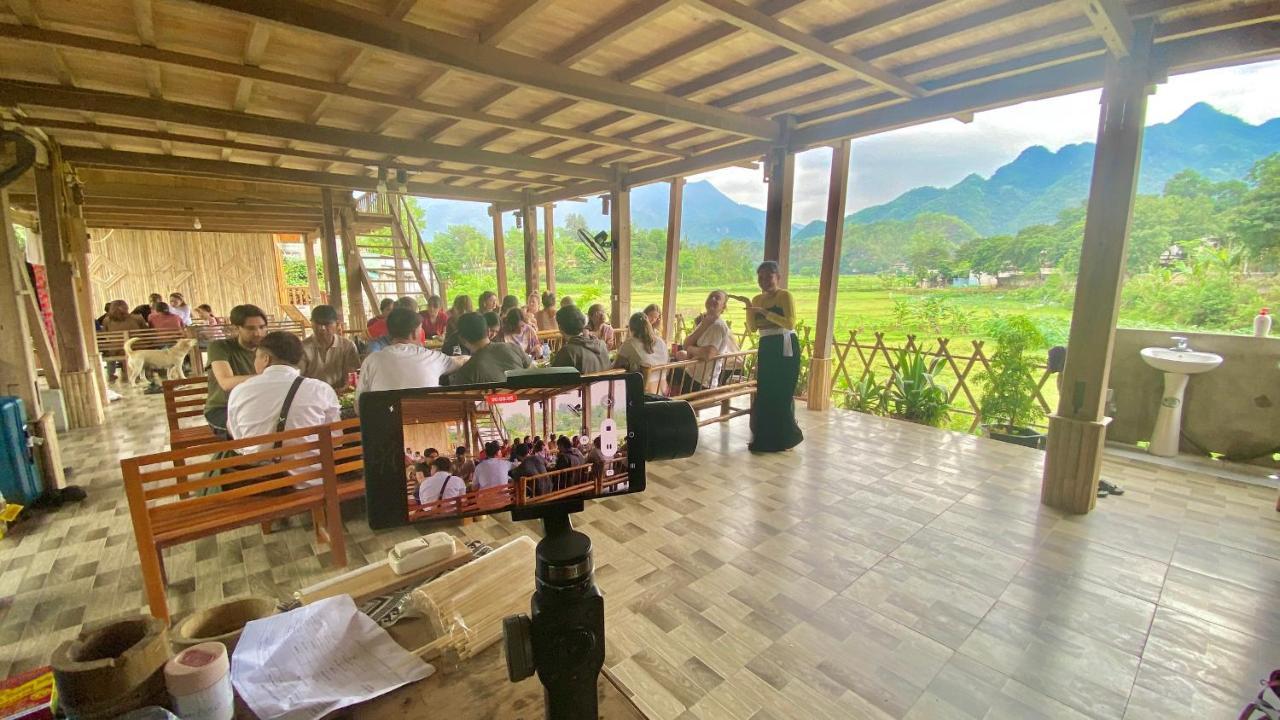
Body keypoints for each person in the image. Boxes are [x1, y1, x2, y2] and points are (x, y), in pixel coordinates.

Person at [226, 331, 340, 457]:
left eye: (256, 357)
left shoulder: (240, 391)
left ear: (266, 359)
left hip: (258, 473)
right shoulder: (321, 389)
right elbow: (335, 439)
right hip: (311, 474)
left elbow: (238, 441)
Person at [741, 260, 803, 453]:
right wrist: (749, 306)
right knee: (766, 392)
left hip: (784, 346)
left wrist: (765, 313)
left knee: (781, 393)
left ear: (778, 277)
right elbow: (752, 327)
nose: (764, 280)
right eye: (761, 277)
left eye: (769, 276)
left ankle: (787, 438)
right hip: (766, 345)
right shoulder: (757, 299)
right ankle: (765, 439)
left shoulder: (785, 295)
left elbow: (790, 323)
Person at [355, 308, 463, 408]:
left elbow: (359, 407)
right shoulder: (432, 357)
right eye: (420, 329)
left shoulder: (371, 361)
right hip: (426, 424)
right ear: (413, 333)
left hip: (386, 426)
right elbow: (460, 361)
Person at [204, 304, 268, 434]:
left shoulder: (269, 348)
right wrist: (270, 377)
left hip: (256, 406)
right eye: (250, 328)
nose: (258, 333)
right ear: (236, 328)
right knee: (257, 431)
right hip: (223, 409)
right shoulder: (220, 347)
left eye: (262, 327)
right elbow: (226, 383)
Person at [675, 290, 738, 392]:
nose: (713, 299)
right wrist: (703, 326)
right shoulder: (706, 322)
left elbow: (709, 353)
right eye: (710, 296)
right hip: (693, 376)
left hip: (703, 382)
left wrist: (691, 349)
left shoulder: (718, 326)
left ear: (723, 307)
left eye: (717, 298)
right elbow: (686, 343)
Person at [445, 312, 531, 385]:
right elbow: (533, 370)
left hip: (494, 404)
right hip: (525, 401)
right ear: (488, 331)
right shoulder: (513, 347)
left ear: (462, 339)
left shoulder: (467, 372)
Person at [300, 304, 360, 391]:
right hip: (311, 395)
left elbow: (351, 376)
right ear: (311, 324)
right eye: (318, 324)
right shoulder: (302, 347)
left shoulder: (347, 346)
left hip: (339, 393)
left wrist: (344, 389)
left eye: (327, 324)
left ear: (337, 324)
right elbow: (298, 377)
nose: (322, 328)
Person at [615, 312, 669, 390]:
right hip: (663, 389)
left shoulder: (630, 343)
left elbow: (615, 368)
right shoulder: (661, 341)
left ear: (631, 328)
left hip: (645, 392)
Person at [550, 305, 610, 374]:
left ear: (560, 328)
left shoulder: (568, 352)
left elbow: (552, 379)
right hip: (604, 384)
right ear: (583, 324)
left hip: (584, 385)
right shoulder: (602, 345)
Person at [100, 300, 147, 382]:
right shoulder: (137, 318)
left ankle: (111, 374)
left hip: (116, 350)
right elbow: (145, 331)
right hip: (136, 348)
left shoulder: (106, 321)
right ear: (126, 308)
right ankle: (144, 373)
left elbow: (105, 335)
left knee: (112, 348)